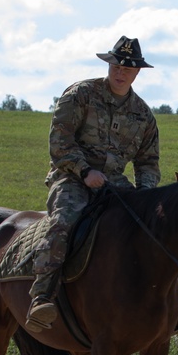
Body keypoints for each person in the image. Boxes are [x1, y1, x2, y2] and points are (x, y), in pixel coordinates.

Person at [25, 36, 161, 332]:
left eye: (128, 68)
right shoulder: (80, 94)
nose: (120, 72)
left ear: (138, 73)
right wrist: (85, 170)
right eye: (116, 65)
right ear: (109, 64)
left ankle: (162, 305)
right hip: (72, 177)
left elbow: (148, 161)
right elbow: (59, 141)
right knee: (63, 221)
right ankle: (42, 296)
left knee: (153, 229)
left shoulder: (143, 114)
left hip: (116, 185)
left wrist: (147, 194)